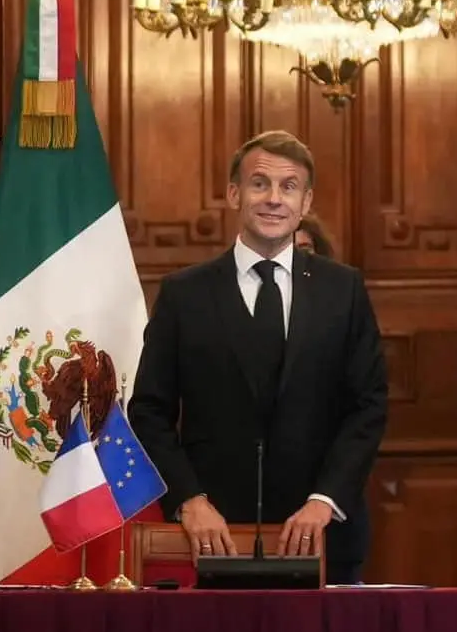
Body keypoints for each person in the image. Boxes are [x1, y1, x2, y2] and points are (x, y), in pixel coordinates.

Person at [129, 130, 388, 584]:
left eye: (289, 187)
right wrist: (190, 501)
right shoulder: (184, 294)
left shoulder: (343, 290)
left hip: (323, 537)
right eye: (259, 183)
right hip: (213, 537)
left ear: (305, 203)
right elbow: (149, 410)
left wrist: (324, 500)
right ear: (234, 194)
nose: (273, 199)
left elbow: (367, 406)